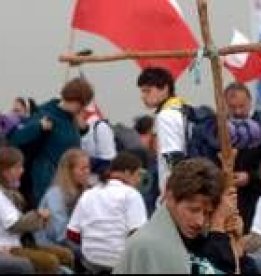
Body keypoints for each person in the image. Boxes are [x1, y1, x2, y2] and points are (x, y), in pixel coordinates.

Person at [114, 158, 248, 274]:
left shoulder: (188, 237)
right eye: (193, 210)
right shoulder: (152, 246)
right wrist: (217, 226)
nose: (200, 222)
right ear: (170, 197)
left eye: (207, 213)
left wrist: (236, 246)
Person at [8, 77, 94, 206]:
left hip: (69, 182)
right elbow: (16, 139)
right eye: (82, 105)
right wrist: (38, 127)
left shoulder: (72, 118)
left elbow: (68, 139)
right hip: (48, 182)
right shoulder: (45, 114)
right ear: (76, 101)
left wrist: (83, 130)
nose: (82, 109)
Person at [67, 152, 148, 273]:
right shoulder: (131, 195)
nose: (139, 180)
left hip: (90, 262)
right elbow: (139, 236)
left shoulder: (89, 193)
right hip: (120, 264)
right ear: (127, 173)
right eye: (137, 174)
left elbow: (72, 233)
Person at [0, 146, 74, 273]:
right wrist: (38, 215)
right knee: (49, 262)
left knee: (66, 255)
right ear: (4, 171)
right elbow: (15, 224)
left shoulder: (12, 193)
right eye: (17, 167)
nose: (22, 171)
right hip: (7, 246)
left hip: (21, 242)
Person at [223, 82, 261, 233]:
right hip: (228, 198)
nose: (238, 111)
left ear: (249, 102)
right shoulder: (219, 129)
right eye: (232, 107)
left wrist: (250, 176)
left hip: (257, 196)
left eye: (242, 106)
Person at [137, 67, 186, 194]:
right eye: (142, 91)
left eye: (147, 91)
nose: (143, 96)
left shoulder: (166, 115)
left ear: (165, 88)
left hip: (174, 189)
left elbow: (172, 156)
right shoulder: (182, 108)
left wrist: (169, 191)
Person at [35, 149, 91, 247]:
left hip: (75, 240)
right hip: (52, 245)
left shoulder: (87, 191)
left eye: (88, 168)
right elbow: (61, 233)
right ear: (69, 171)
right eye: (83, 169)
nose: (87, 172)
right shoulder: (55, 194)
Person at [81, 102, 116, 185]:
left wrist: (81, 163)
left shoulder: (100, 127)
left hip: (96, 183)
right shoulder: (73, 127)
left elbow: (109, 161)